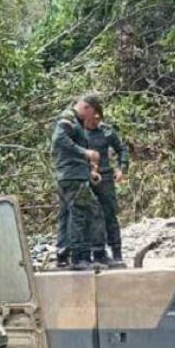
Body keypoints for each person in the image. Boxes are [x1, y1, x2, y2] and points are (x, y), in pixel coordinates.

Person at [51, 94, 107, 269]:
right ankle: (80, 256)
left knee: (67, 214)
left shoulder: (75, 121)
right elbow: (59, 140)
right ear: (86, 107)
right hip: (72, 176)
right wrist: (85, 152)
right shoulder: (68, 118)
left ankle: (63, 255)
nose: (91, 120)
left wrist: (90, 170)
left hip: (71, 174)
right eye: (92, 115)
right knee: (83, 212)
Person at [87, 107, 129, 267]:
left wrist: (121, 168)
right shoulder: (78, 131)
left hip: (105, 177)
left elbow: (122, 149)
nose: (96, 121)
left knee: (110, 214)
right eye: (93, 118)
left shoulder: (106, 131)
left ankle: (116, 252)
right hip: (86, 177)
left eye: (99, 118)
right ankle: (96, 252)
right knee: (90, 215)